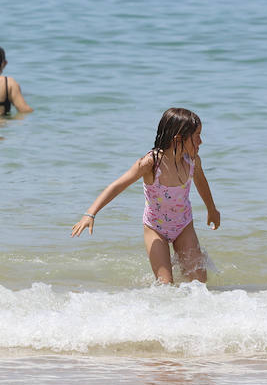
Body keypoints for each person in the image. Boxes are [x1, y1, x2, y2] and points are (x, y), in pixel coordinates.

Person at [70, 107, 222, 284]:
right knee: (165, 284)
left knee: (199, 282)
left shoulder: (192, 161)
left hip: (184, 225)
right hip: (155, 228)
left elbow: (201, 182)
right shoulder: (151, 163)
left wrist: (212, 209)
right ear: (178, 139)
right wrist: (90, 213)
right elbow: (117, 186)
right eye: (196, 136)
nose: (201, 141)